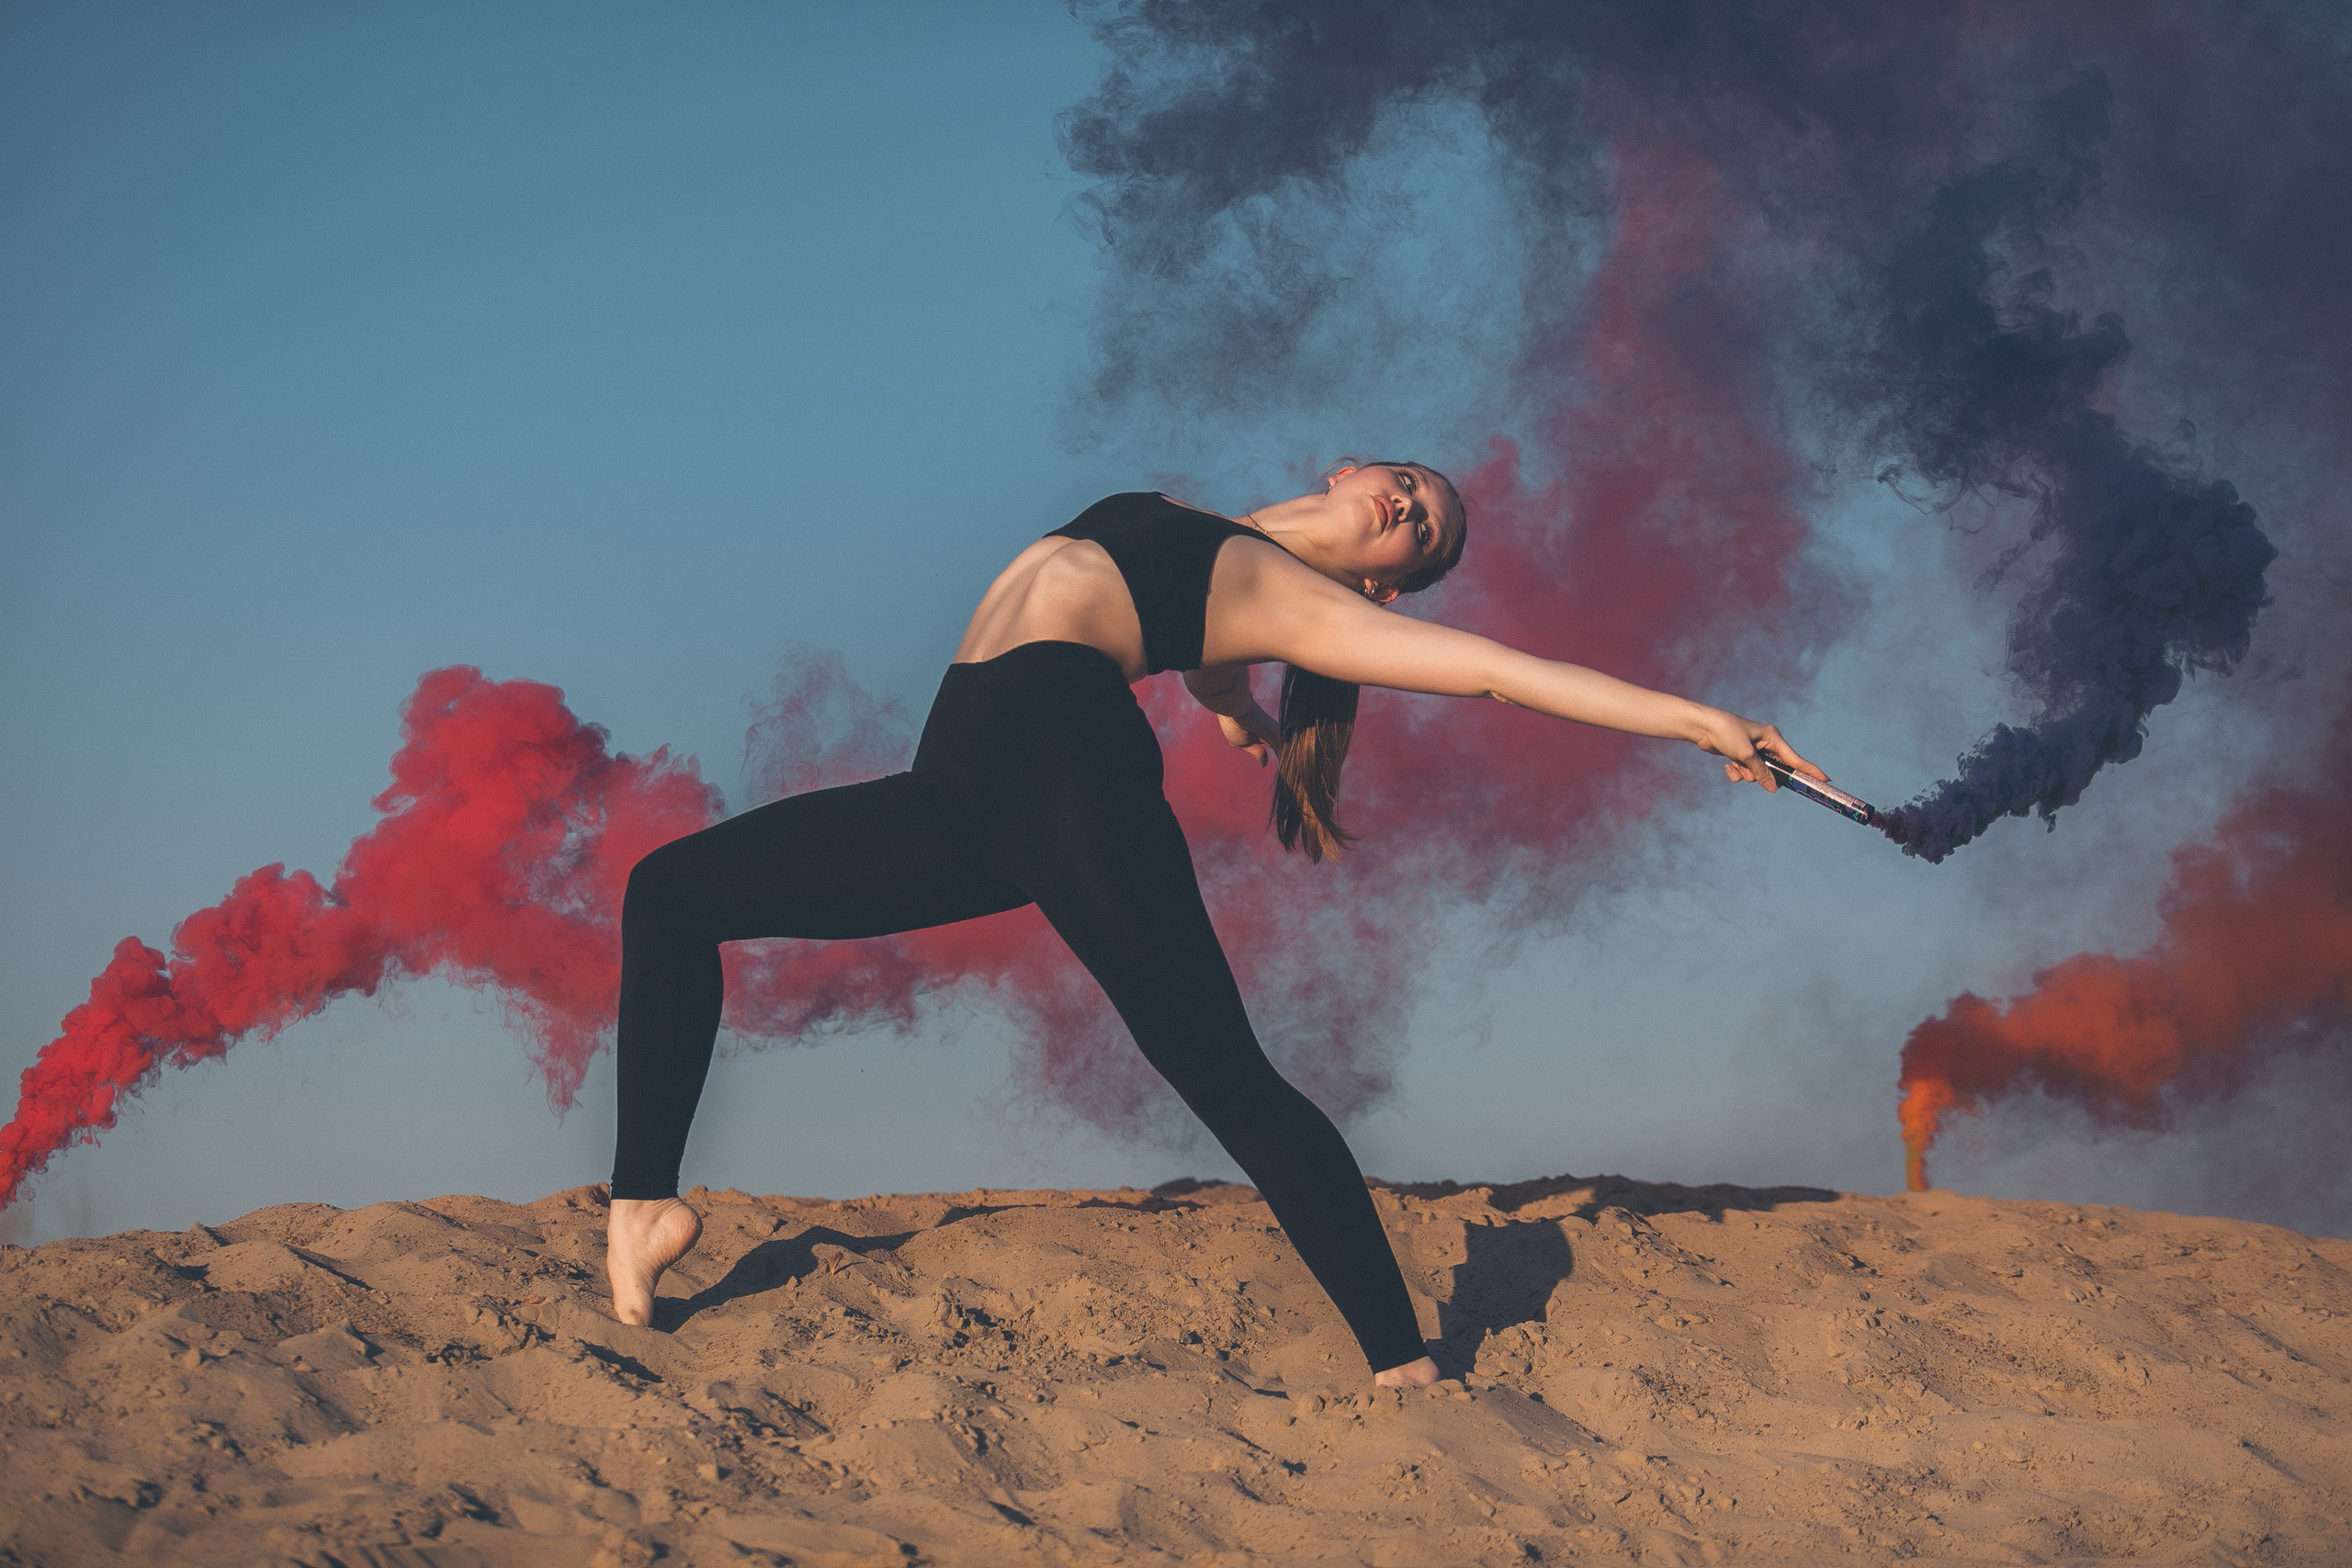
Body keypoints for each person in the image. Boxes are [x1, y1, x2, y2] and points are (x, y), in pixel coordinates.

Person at [603, 460, 1824, 1388]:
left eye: (1428, 527)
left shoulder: (1308, 604)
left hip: (1073, 769)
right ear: (1345, 470)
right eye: (1407, 483)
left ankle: (1400, 1363)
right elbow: (1205, 658)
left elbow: (1502, 671)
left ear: (1384, 586)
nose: (1410, 503)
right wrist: (1238, 714)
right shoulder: (1212, 540)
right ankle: (643, 1203)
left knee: (1228, 1082)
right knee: (670, 893)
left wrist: (1697, 721)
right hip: (960, 787)